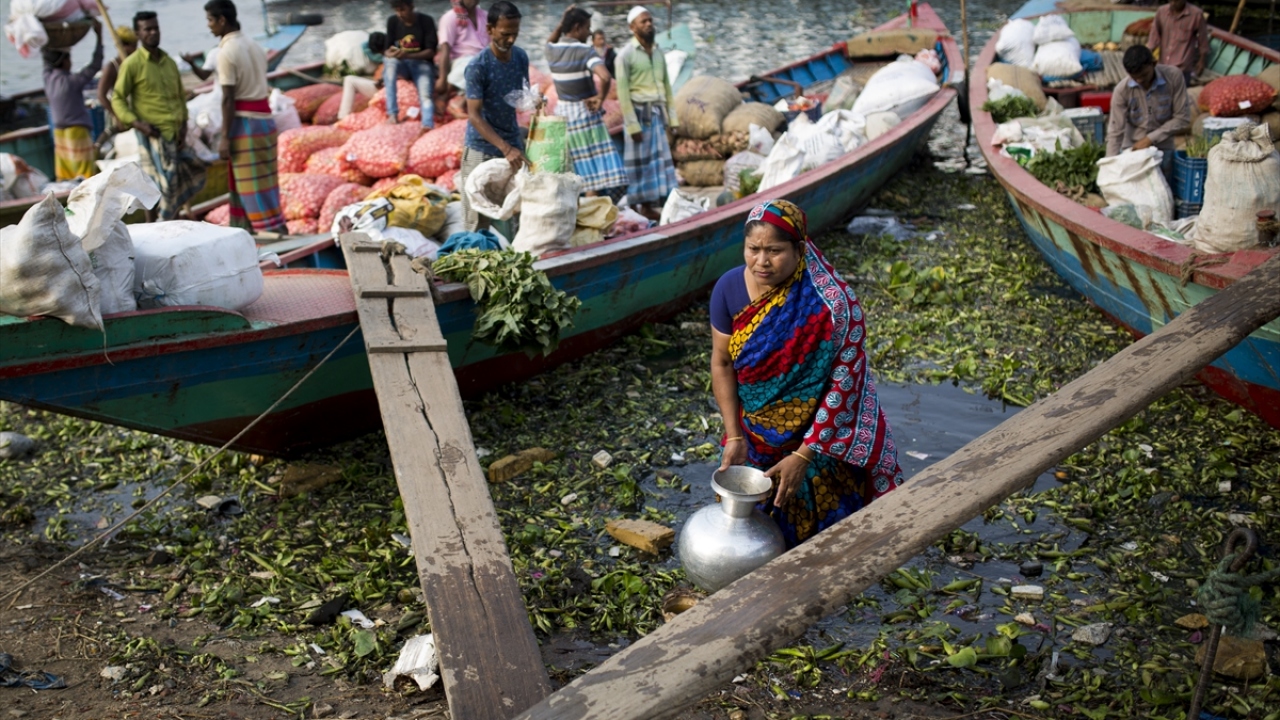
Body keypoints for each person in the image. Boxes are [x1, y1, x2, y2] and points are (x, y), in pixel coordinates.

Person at [711, 199, 904, 548]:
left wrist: (803, 454)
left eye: (775, 250)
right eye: (753, 249)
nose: (762, 261)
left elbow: (844, 384)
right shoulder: (728, 289)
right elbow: (722, 363)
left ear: (800, 249)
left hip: (816, 443)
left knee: (824, 543)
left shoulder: (833, 305)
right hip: (752, 436)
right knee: (745, 536)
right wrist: (734, 435)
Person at [112, 11, 207, 220]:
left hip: (174, 134)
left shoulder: (169, 62)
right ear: (138, 33)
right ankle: (157, 224)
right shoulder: (132, 64)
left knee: (189, 173)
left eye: (156, 28)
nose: (153, 33)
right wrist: (136, 123)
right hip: (152, 134)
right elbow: (117, 98)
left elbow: (179, 98)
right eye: (148, 29)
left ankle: (167, 222)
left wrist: (182, 125)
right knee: (157, 185)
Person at [205, 0, 286, 233]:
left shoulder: (226, 52)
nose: (209, 26)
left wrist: (224, 137)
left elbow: (228, 98)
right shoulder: (254, 45)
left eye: (211, 20)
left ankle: (271, 233)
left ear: (222, 20)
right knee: (266, 184)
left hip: (245, 124)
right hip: (265, 122)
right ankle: (262, 229)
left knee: (252, 188)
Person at [459, 1, 529, 231]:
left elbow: (521, 96)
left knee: (518, 211)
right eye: (505, 34)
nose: (510, 40)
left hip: (512, 143)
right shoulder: (478, 66)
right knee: (477, 219)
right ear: (489, 30)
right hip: (482, 148)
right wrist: (505, 148)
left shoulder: (520, 57)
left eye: (515, 34)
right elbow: (474, 116)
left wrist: (535, 102)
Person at [546, 5, 626, 197]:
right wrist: (600, 98)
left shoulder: (551, 51)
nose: (589, 33)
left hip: (564, 114)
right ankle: (595, 216)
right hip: (585, 115)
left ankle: (583, 214)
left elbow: (551, 39)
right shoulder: (585, 51)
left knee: (578, 172)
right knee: (594, 177)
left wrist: (562, 21)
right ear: (576, 28)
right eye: (586, 27)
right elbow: (605, 77)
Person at [615, 6, 678, 221]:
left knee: (657, 160)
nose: (649, 24)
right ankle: (639, 206)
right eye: (643, 21)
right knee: (639, 165)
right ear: (633, 27)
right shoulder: (625, 55)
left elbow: (667, 87)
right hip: (638, 115)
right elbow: (622, 93)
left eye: (650, 20)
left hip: (657, 113)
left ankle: (651, 205)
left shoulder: (659, 52)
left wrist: (672, 118)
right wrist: (632, 125)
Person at [1106, 45, 1191, 183]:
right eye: (1135, 78)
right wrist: (1109, 165)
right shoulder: (1121, 91)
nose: (1140, 81)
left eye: (1144, 75)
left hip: (1164, 148)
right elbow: (1115, 131)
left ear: (1154, 63)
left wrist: (1150, 139)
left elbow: (1183, 118)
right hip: (1132, 150)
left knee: (1164, 191)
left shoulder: (1173, 77)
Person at [43, 21, 104, 180]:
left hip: (59, 133)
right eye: (69, 59)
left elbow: (45, 59)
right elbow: (95, 65)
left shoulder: (48, 78)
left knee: (65, 175)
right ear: (64, 62)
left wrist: (44, 36)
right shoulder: (73, 81)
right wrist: (99, 37)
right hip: (77, 133)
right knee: (86, 175)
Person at [384, 0, 437, 128]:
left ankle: (427, 124)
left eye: (402, 9)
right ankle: (392, 114)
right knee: (389, 65)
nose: (400, 14)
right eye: (397, 10)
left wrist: (408, 55)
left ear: (411, 7)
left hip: (422, 64)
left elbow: (431, 52)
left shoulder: (426, 21)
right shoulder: (393, 21)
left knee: (425, 94)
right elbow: (387, 49)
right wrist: (391, 53)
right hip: (402, 64)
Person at [1147, 0, 1210, 86]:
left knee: (1179, 97)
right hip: (1163, 65)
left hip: (1182, 68)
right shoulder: (1161, 12)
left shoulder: (1196, 14)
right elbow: (1154, 37)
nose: (1173, 3)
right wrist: (1147, 57)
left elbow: (1203, 39)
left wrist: (1202, 61)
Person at [436, 0, 490, 98]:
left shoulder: (486, 16)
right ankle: (446, 94)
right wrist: (442, 79)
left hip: (484, 59)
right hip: (460, 61)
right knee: (474, 64)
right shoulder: (450, 18)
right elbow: (445, 50)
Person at [339, 32, 389, 120]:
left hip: (395, 92)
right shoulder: (389, 55)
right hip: (385, 89)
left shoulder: (397, 55)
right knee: (349, 79)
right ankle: (343, 118)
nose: (381, 55)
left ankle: (343, 117)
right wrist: (381, 81)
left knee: (349, 80)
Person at [97, 25, 138, 130]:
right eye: (131, 46)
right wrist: (116, 116)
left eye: (135, 45)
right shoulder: (112, 67)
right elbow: (101, 95)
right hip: (118, 112)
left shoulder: (134, 63)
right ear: (120, 46)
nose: (134, 49)